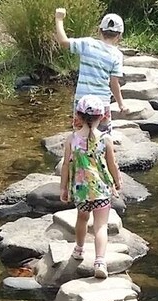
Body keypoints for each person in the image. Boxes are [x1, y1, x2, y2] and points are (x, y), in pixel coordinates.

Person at [59, 95, 122, 278]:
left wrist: (63, 188)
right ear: (102, 117)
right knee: (101, 226)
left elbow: (65, 165)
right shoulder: (106, 140)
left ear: (78, 115)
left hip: (81, 191)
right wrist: (117, 181)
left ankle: (79, 249)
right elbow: (112, 165)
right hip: (101, 190)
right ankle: (100, 261)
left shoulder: (72, 139)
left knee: (82, 219)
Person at [54, 8, 127, 134]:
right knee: (103, 138)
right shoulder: (117, 55)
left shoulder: (87, 44)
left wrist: (59, 19)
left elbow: (63, 41)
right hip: (102, 102)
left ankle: (80, 153)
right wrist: (121, 104)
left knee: (80, 136)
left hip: (82, 101)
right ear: (119, 36)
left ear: (99, 30)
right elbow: (114, 84)